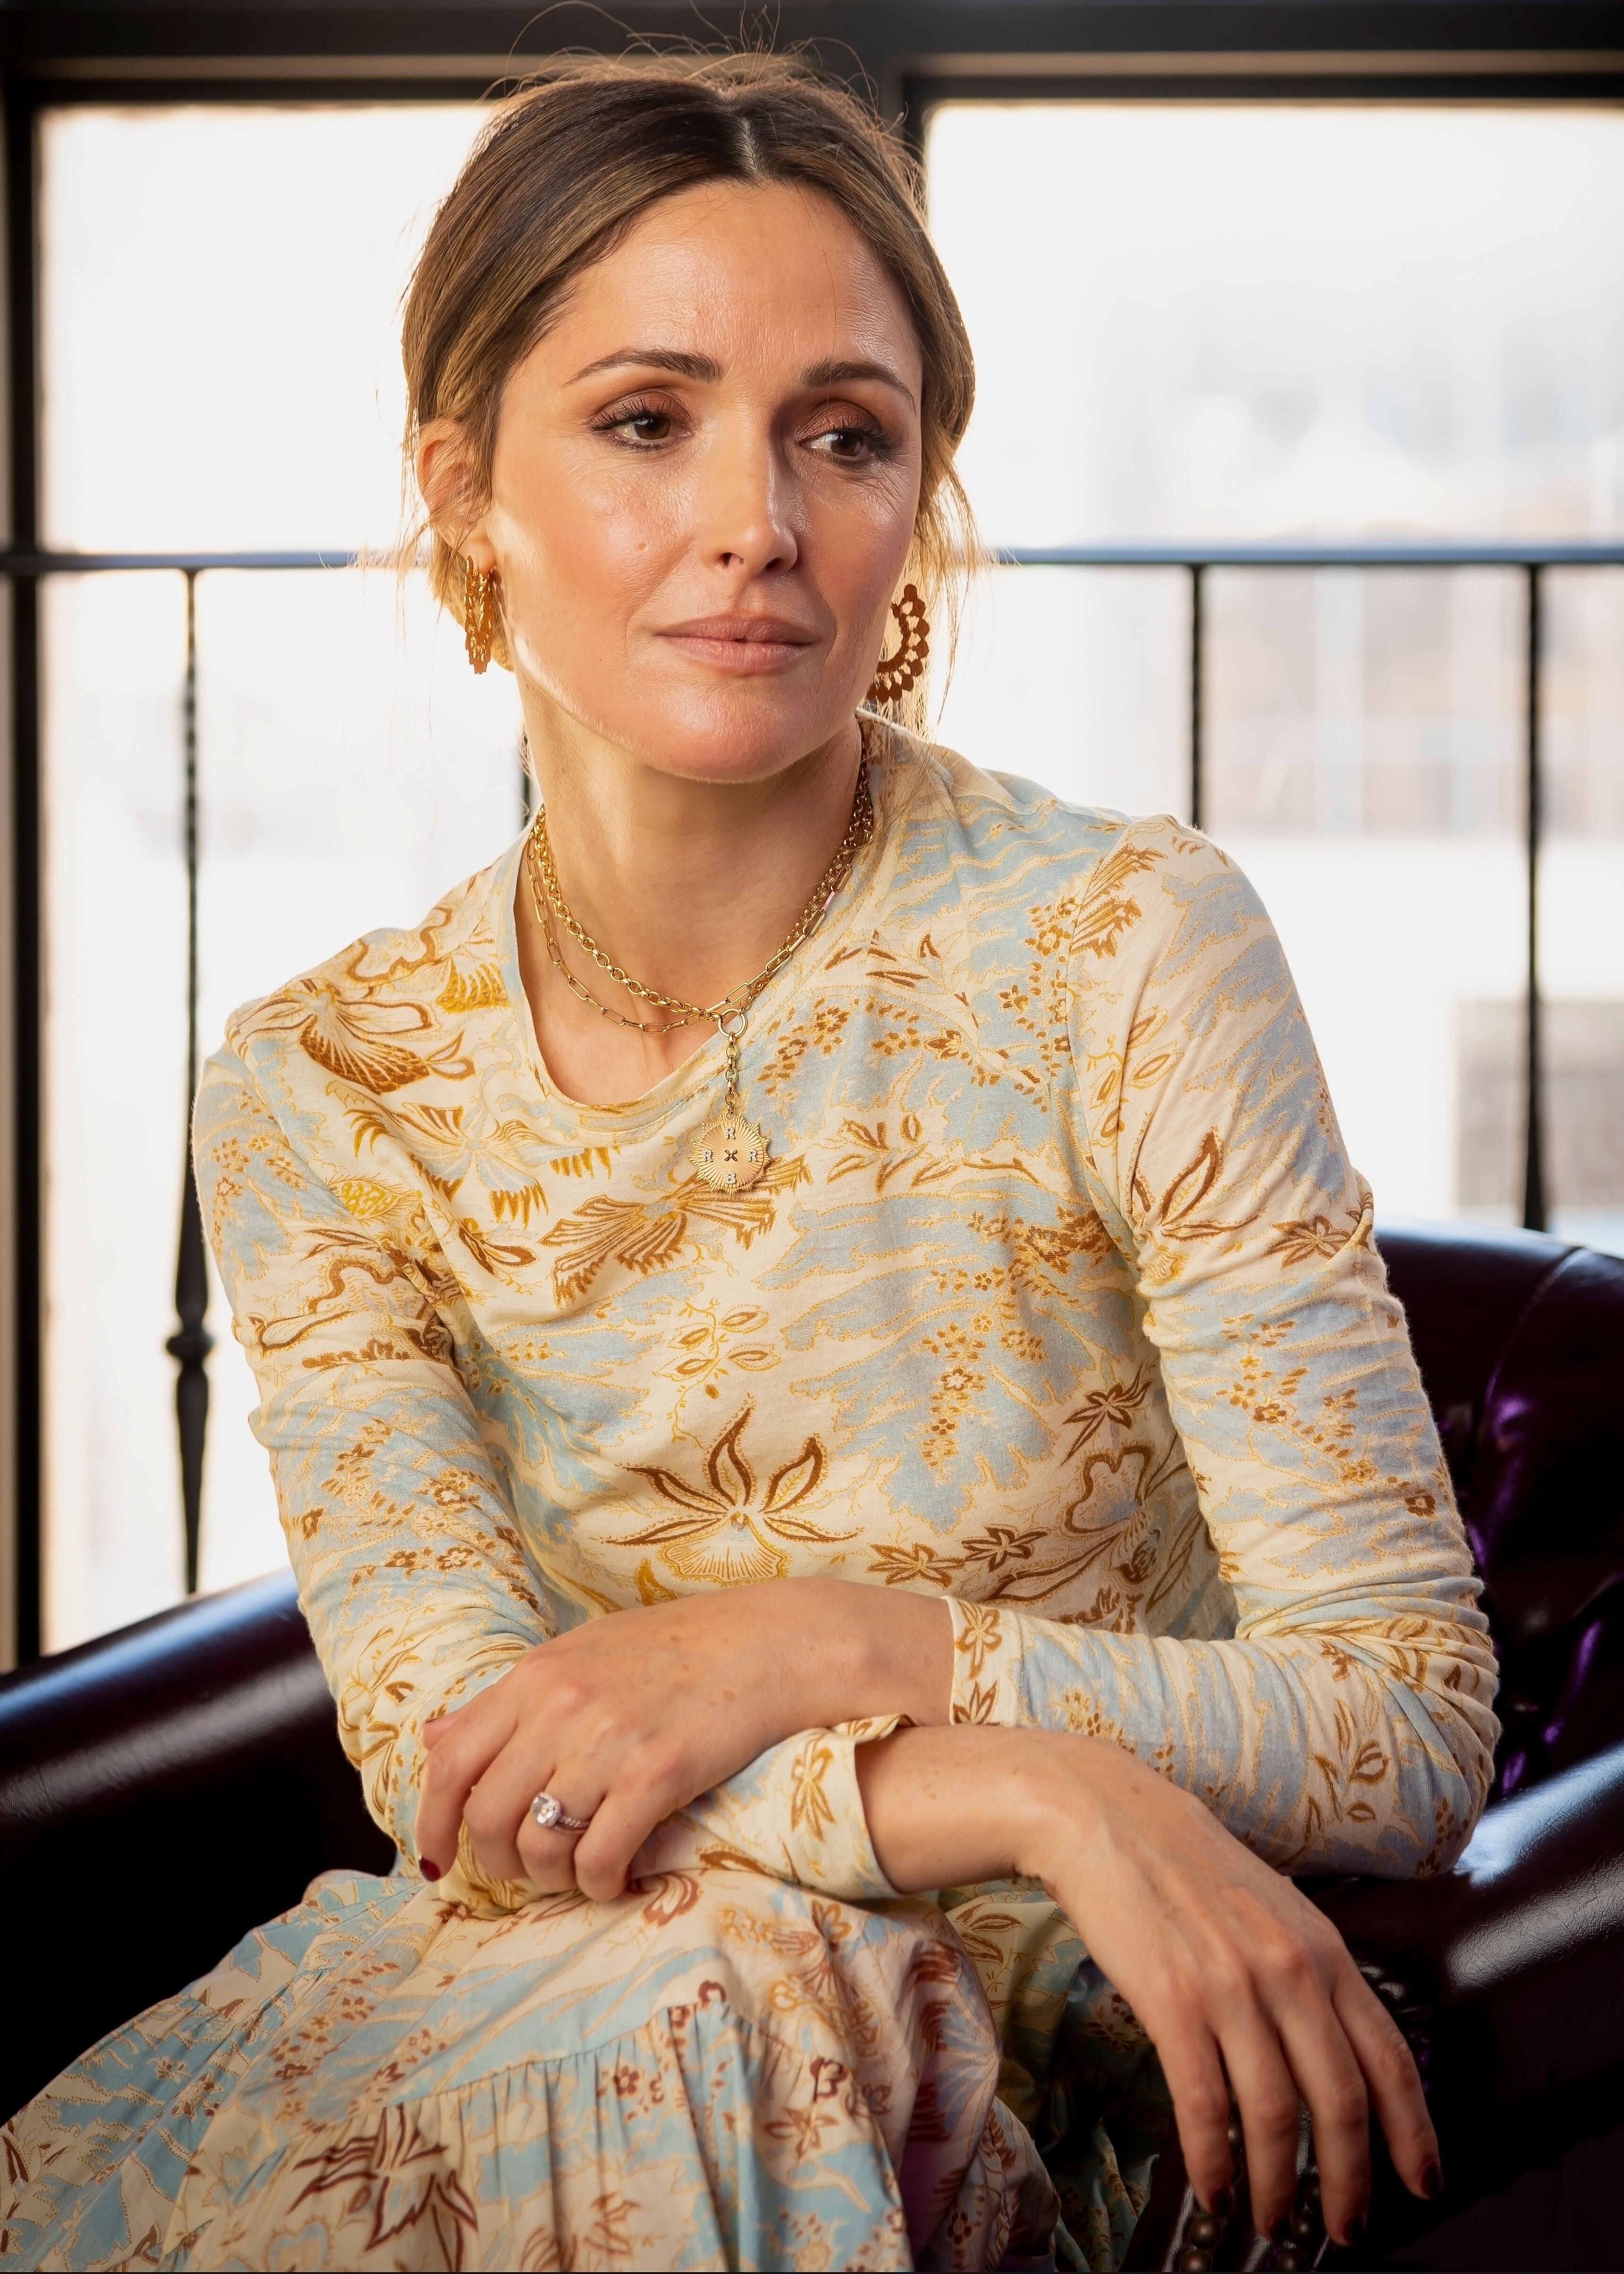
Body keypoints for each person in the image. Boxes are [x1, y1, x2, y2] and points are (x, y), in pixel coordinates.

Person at [1, 53, 1496, 2274]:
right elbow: (460, 1770)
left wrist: (822, 1642)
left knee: (727, 2008)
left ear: (913, 502)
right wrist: (1020, 1781)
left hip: (990, 2082)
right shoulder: (321, 1085)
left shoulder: (1122, 946)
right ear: (462, 493)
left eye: (843, 435)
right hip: (528, 2033)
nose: (757, 523)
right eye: (644, 420)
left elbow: (1400, 1722)